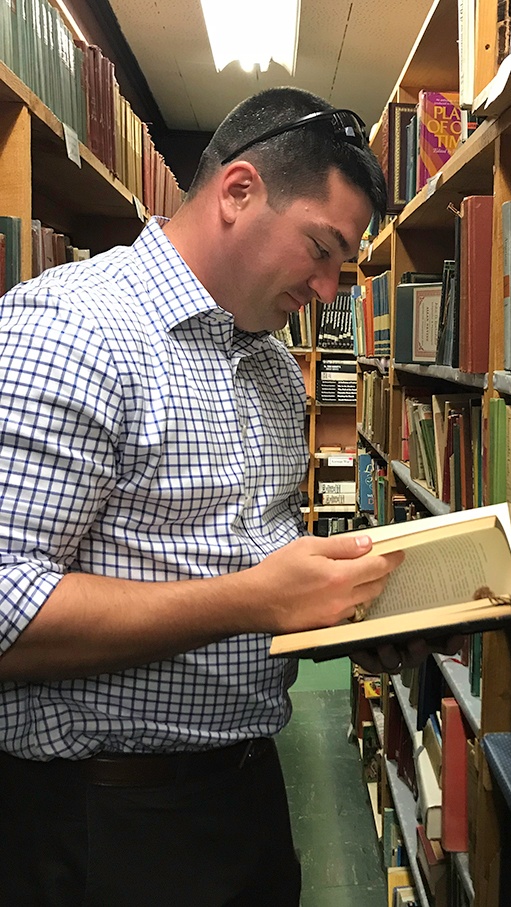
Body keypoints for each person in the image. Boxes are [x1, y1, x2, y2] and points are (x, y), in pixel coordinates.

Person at [0, 86, 455, 906]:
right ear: (238, 192)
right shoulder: (68, 331)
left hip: (242, 790)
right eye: (320, 249)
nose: (326, 289)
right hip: (100, 820)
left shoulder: (275, 369)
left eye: (342, 265)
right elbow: (5, 613)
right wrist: (254, 601)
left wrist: (345, 620)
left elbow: (245, 566)